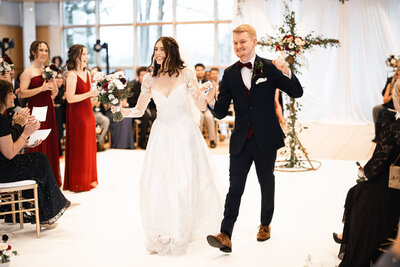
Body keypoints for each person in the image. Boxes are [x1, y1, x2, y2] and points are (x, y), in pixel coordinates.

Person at [112, 37, 222, 255]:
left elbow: (199, 106)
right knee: (160, 181)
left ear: (172, 50)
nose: (158, 52)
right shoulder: (149, 78)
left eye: (162, 48)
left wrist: (208, 97)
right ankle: (163, 227)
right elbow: (139, 110)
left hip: (184, 132)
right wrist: (120, 111)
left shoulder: (187, 73)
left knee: (184, 181)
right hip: (162, 133)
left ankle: (183, 226)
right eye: (155, 49)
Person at [205, 24, 303, 253]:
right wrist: (211, 100)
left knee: (266, 183)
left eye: (243, 42)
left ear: (254, 41)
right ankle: (225, 234)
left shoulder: (269, 67)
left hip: (265, 140)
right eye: (235, 43)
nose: (239, 47)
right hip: (240, 141)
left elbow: (296, 92)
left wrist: (286, 70)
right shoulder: (229, 73)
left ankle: (265, 224)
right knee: (235, 188)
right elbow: (220, 112)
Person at [332, 79, 400, 266]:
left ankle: (354, 242)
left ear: (397, 99)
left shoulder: (393, 128)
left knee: (356, 193)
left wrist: (364, 172)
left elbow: (377, 165)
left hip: (393, 189)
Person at [0, 80, 70, 227]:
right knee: (40, 160)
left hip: (4, 165)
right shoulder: (1, 120)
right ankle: (47, 212)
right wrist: (25, 133)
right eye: (10, 93)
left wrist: (24, 141)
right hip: (3, 170)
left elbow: (7, 144)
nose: (14, 96)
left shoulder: (2, 118)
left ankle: (44, 211)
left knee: (39, 159)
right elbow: (9, 153)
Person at [19, 40, 62, 187]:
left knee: (50, 141)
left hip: (48, 109)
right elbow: (22, 93)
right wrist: (41, 89)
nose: (44, 53)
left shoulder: (48, 70)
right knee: (36, 143)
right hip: (35, 111)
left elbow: (54, 93)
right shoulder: (28, 72)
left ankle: (52, 181)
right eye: (41, 50)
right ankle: (36, 181)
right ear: (33, 52)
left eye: (46, 50)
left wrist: (53, 84)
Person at [63, 44, 98, 192]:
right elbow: (70, 98)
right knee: (80, 145)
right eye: (83, 54)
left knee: (89, 145)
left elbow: (88, 95)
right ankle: (78, 181)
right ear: (76, 56)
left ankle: (88, 178)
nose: (86, 57)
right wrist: (90, 94)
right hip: (77, 114)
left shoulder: (88, 73)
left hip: (88, 112)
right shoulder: (71, 74)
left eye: (86, 54)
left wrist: (96, 97)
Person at [127, 66, 156, 149]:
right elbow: (131, 101)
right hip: (138, 109)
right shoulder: (134, 86)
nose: (143, 77)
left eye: (145, 75)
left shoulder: (151, 86)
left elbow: (154, 100)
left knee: (156, 116)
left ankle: (152, 140)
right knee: (145, 116)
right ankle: (142, 141)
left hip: (150, 107)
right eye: (142, 75)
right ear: (138, 76)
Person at [195, 63, 217, 148]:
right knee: (199, 117)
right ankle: (198, 140)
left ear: (204, 71)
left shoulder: (208, 83)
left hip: (207, 107)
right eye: (198, 70)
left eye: (201, 70)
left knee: (209, 117)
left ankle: (212, 140)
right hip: (196, 108)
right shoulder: (192, 82)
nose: (200, 72)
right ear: (195, 71)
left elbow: (212, 96)